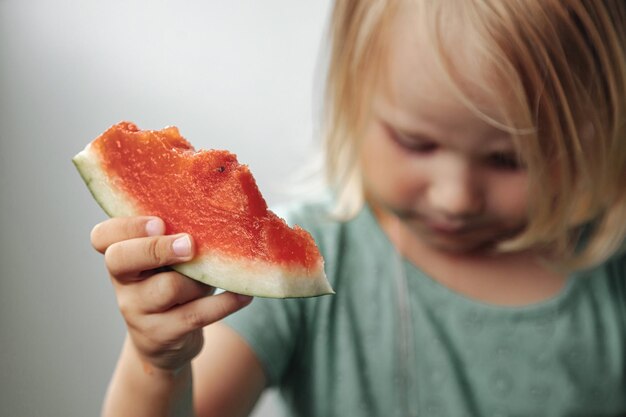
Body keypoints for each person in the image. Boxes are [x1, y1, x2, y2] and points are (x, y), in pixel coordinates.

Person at [91, 1, 626, 416]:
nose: (455, 196)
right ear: (353, 92)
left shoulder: (611, 276)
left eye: (511, 159)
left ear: (593, 128)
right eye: (416, 143)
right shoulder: (311, 273)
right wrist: (157, 365)